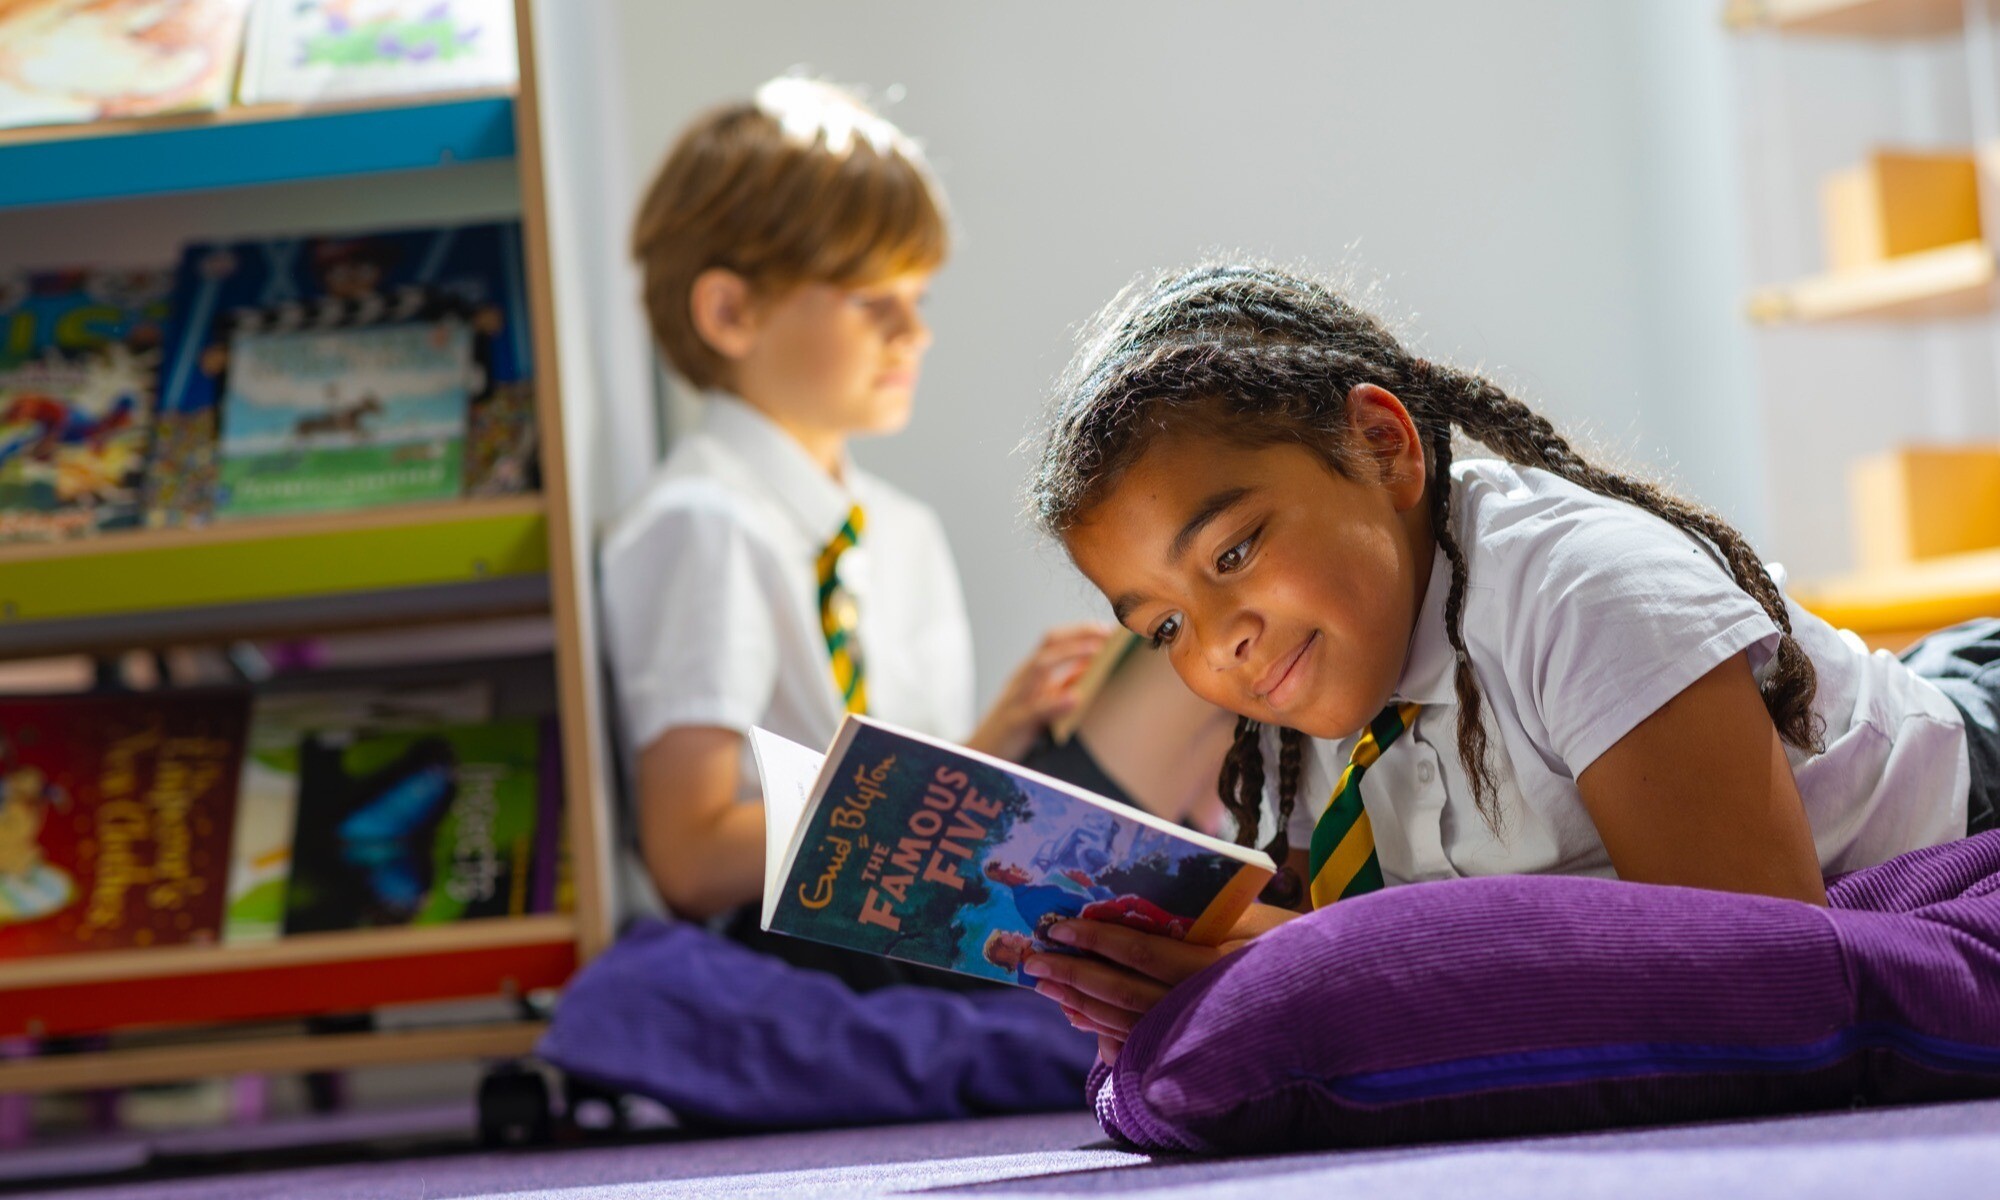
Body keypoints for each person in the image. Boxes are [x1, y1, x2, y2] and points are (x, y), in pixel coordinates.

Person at [1013, 261, 2000, 1061]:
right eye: (1164, 628)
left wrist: (1303, 961)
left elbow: (1756, 965)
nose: (1218, 640)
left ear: (1381, 444)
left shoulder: (1587, 591)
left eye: (1232, 553)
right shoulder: (1315, 694)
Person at [599, 77, 1110, 988]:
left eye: (916, 296)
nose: (914, 332)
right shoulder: (703, 527)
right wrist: (984, 760)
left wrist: (1005, 749)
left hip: (921, 908)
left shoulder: (895, 531)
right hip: (810, 941)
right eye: (871, 302)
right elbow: (688, 859)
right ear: (730, 314)